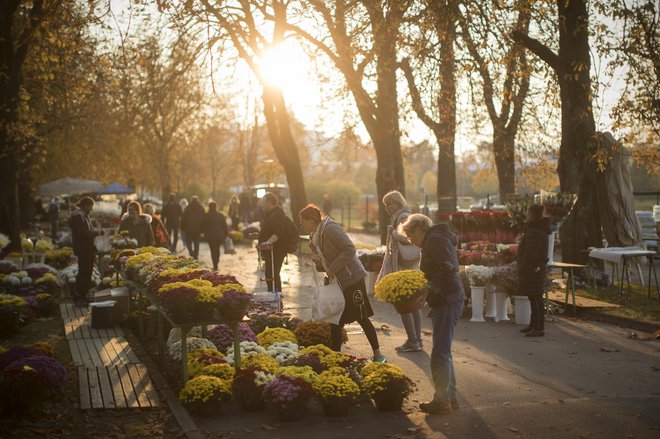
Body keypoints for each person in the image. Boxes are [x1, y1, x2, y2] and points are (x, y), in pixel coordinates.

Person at [298, 204, 386, 362]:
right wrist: (320, 263)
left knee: (361, 316)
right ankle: (336, 357)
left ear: (311, 220)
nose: (301, 226)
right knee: (334, 319)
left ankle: (378, 353)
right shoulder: (315, 236)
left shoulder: (330, 228)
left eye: (303, 222)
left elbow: (349, 249)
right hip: (335, 281)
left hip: (351, 279)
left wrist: (332, 268)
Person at [400, 213, 465, 415]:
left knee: (439, 353)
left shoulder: (434, 240)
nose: (411, 241)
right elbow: (440, 268)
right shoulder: (435, 238)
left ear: (419, 229)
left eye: (411, 236)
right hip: (446, 299)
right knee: (442, 350)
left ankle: (442, 400)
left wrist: (430, 289)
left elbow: (449, 267)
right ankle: (449, 398)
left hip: (448, 299)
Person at [377, 191, 422, 352]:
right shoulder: (401, 216)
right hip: (407, 266)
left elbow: (407, 237)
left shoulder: (403, 217)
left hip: (404, 267)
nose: (387, 208)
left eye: (389, 204)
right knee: (412, 305)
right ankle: (417, 339)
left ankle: (413, 340)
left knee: (404, 304)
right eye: (385, 205)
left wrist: (393, 233)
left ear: (397, 203)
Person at [517, 204, 550, 337]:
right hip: (535, 268)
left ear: (531, 212)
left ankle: (539, 327)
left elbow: (531, 254)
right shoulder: (536, 229)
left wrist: (522, 268)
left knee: (536, 297)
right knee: (533, 296)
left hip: (533, 269)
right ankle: (533, 324)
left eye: (527, 211)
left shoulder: (534, 231)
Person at [69, 197, 101, 307]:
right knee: (84, 272)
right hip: (83, 249)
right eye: (91, 206)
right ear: (86, 205)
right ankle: (79, 297)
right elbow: (82, 233)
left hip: (88, 248)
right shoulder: (78, 217)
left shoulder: (83, 216)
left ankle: (84, 295)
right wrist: (95, 233)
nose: (91, 209)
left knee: (87, 272)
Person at [257, 192, 291, 292]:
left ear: (270, 202)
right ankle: (273, 295)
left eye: (264, 202)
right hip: (271, 251)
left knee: (273, 274)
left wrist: (268, 242)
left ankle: (276, 297)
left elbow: (278, 233)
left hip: (276, 251)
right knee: (270, 274)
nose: (262, 205)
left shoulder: (278, 214)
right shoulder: (270, 214)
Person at [203, 201, 229, 271]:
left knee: (213, 250)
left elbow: (203, 225)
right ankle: (216, 262)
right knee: (217, 249)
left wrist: (203, 233)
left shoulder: (206, 215)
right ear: (216, 207)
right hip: (219, 235)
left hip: (210, 236)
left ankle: (215, 264)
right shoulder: (220, 215)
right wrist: (226, 234)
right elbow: (224, 225)